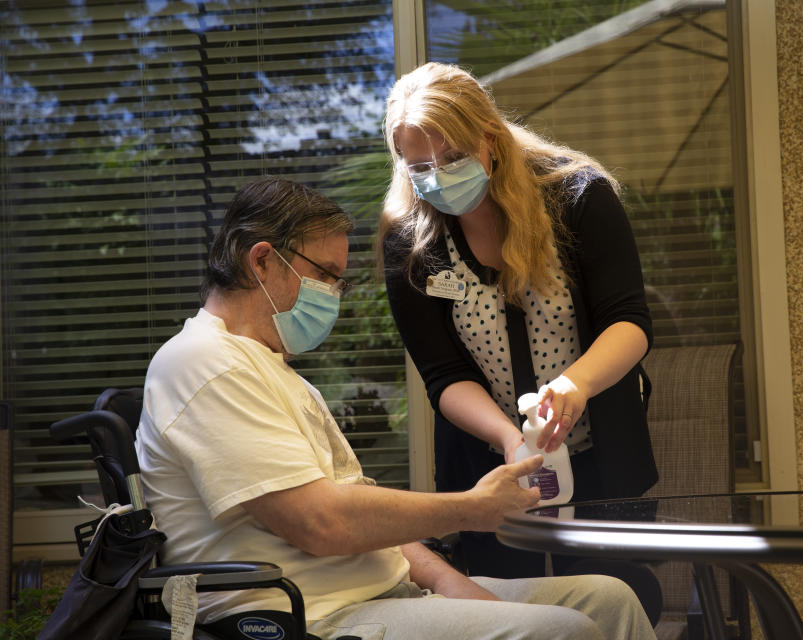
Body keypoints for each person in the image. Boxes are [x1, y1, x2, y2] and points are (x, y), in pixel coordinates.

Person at [134, 176, 656, 640]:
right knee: (566, 632)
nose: (335, 293)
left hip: (380, 594)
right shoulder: (205, 364)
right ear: (263, 259)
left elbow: (359, 515)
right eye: (326, 274)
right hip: (311, 618)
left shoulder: (268, 369)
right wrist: (471, 508)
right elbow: (321, 524)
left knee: (610, 599)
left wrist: (450, 582)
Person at [377, 62, 659, 581]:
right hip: (489, 468)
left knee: (619, 594)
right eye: (419, 168)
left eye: (455, 156)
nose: (438, 177)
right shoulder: (410, 242)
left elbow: (629, 323)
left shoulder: (577, 198)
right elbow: (443, 376)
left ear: (491, 138)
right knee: (507, 605)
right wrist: (511, 441)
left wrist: (575, 386)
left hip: (603, 452)